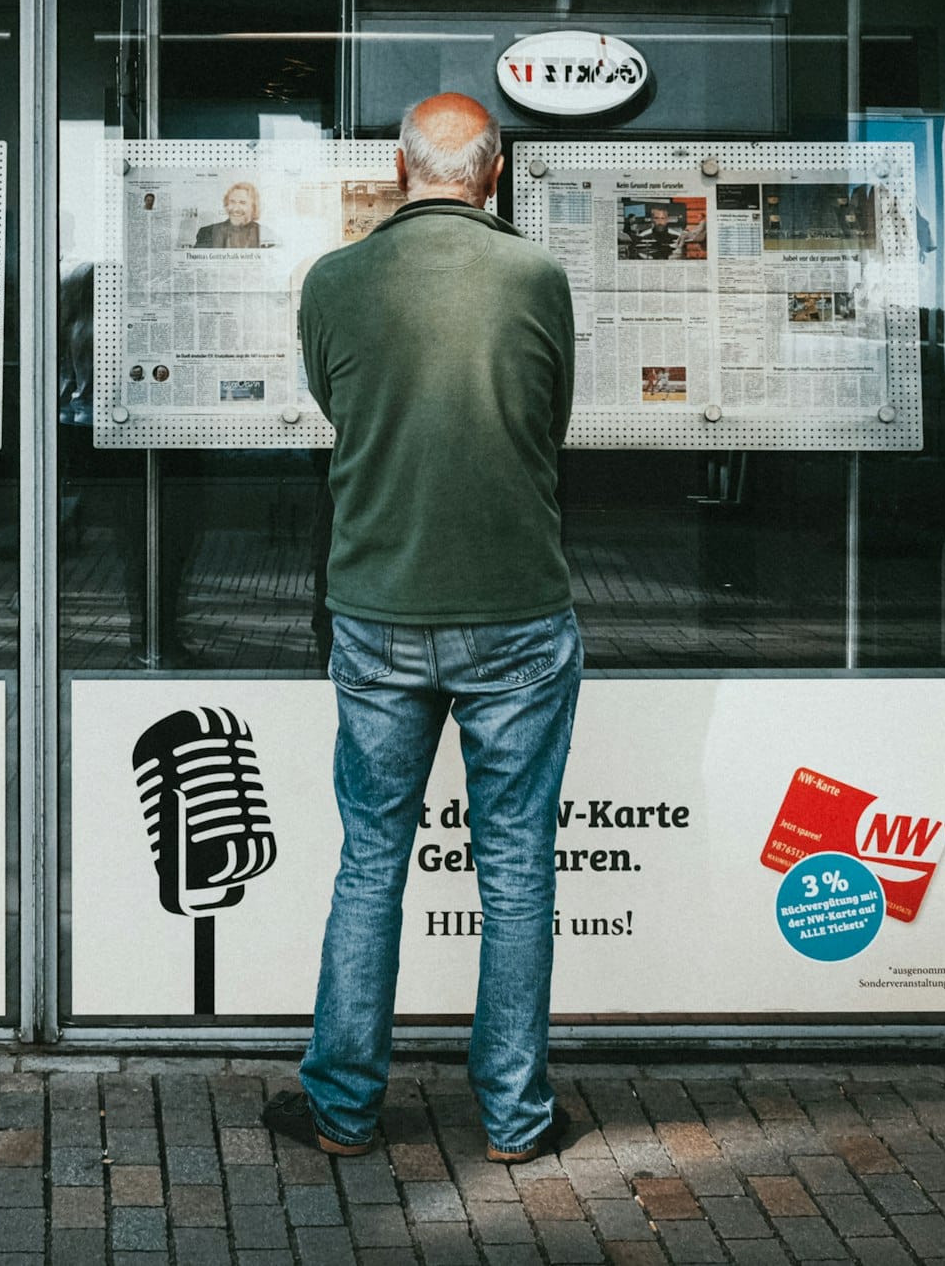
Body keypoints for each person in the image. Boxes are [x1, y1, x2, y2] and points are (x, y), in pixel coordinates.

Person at [263, 93, 581, 1165]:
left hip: (378, 606)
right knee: (516, 865)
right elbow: (551, 421)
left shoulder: (333, 282)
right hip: (516, 612)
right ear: (491, 176)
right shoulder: (536, 278)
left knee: (369, 861)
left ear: (399, 170)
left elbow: (336, 408)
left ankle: (343, 1107)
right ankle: (515, 1119)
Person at [193, 182, 270, 249]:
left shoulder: (266, 234)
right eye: (232, 202)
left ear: (253, 207)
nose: (236, 208)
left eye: (242, 202)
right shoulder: (207, 233)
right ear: (226, 205)